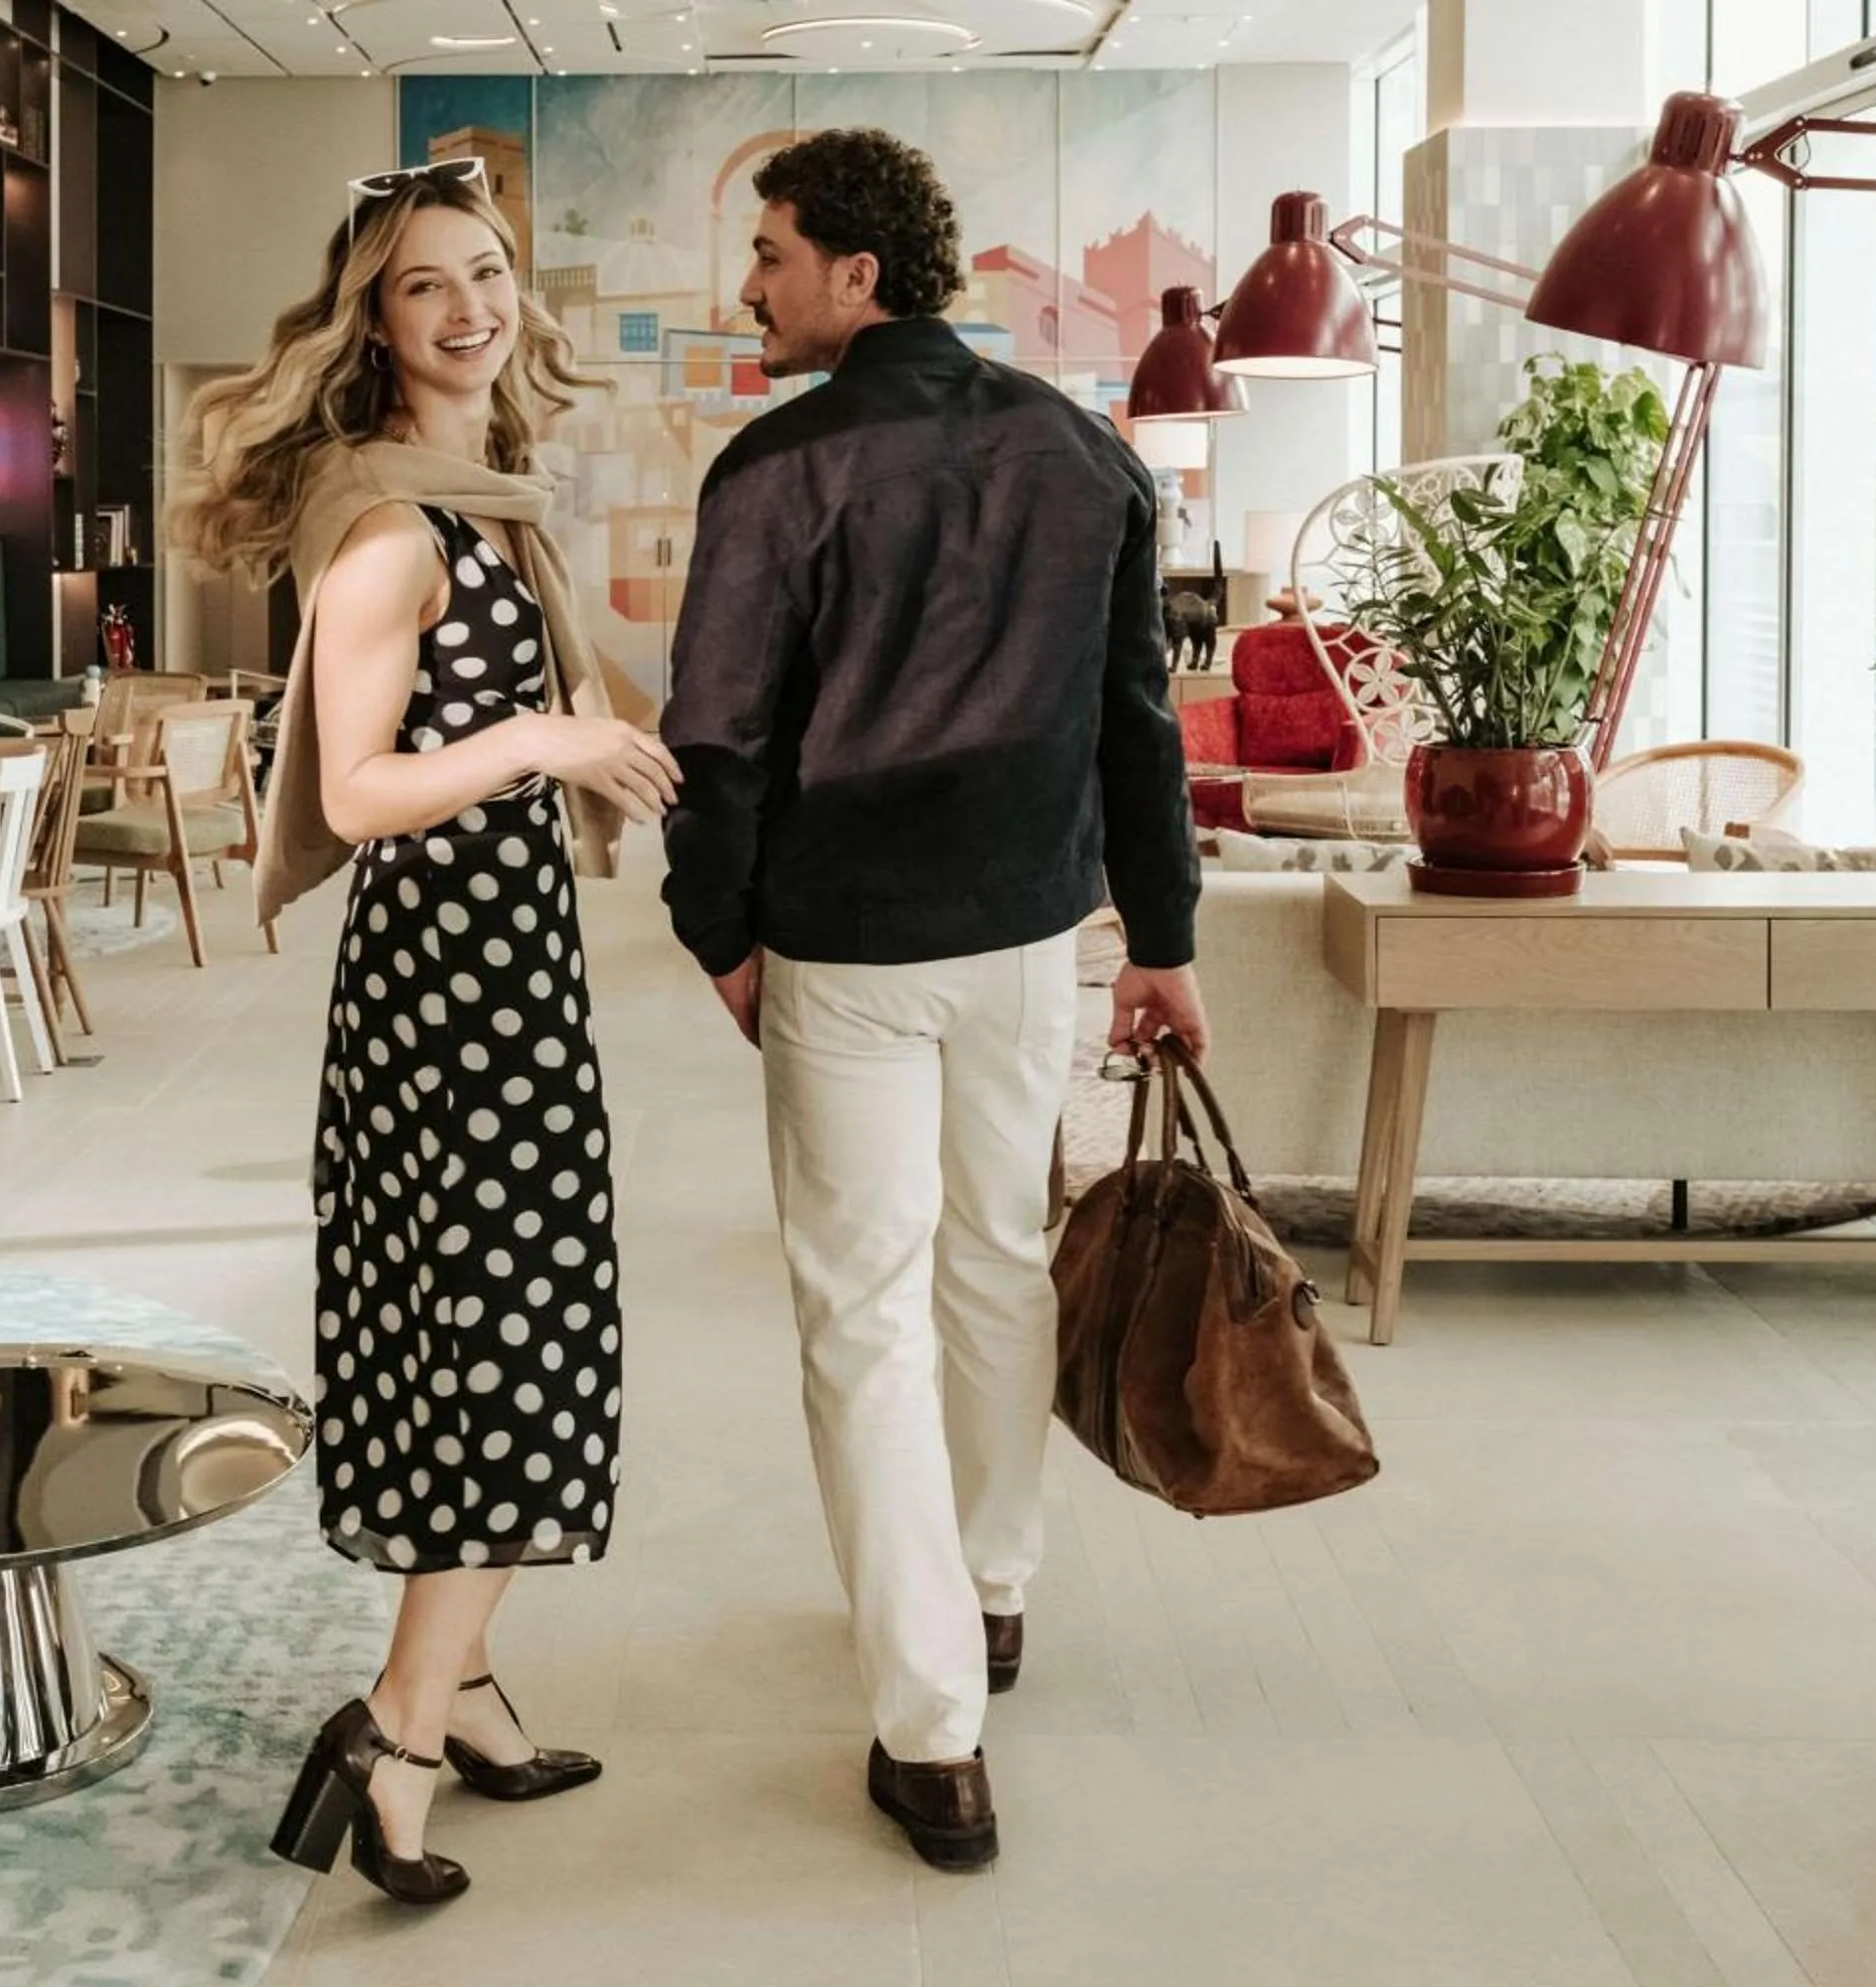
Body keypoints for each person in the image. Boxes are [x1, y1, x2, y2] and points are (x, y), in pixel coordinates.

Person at [659, 128, 1207, 1872]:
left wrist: (717, 929)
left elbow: (721, 740)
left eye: (769, 254)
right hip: (1029, 941)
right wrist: (1166, 941)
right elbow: (1140, 727)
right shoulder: (1086, 458)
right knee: (991, 1261)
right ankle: (995, 1587)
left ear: (857, 277)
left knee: (863, 1315)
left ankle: (933, 1727)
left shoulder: (775, 469)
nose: (750, 284)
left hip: (848, 948)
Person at [173, 158, 680, 1909]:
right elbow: (356, 783)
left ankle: (458, 1690)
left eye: (488, 273)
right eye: (423, 288)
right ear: (369, 325)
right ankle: (390, 1731)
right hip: (453, 995)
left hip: (494, 972)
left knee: (503, 1331)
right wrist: (544, 743)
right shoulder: (396, 523)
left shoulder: (479, 500)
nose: (471, 307)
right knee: (507, 1348)